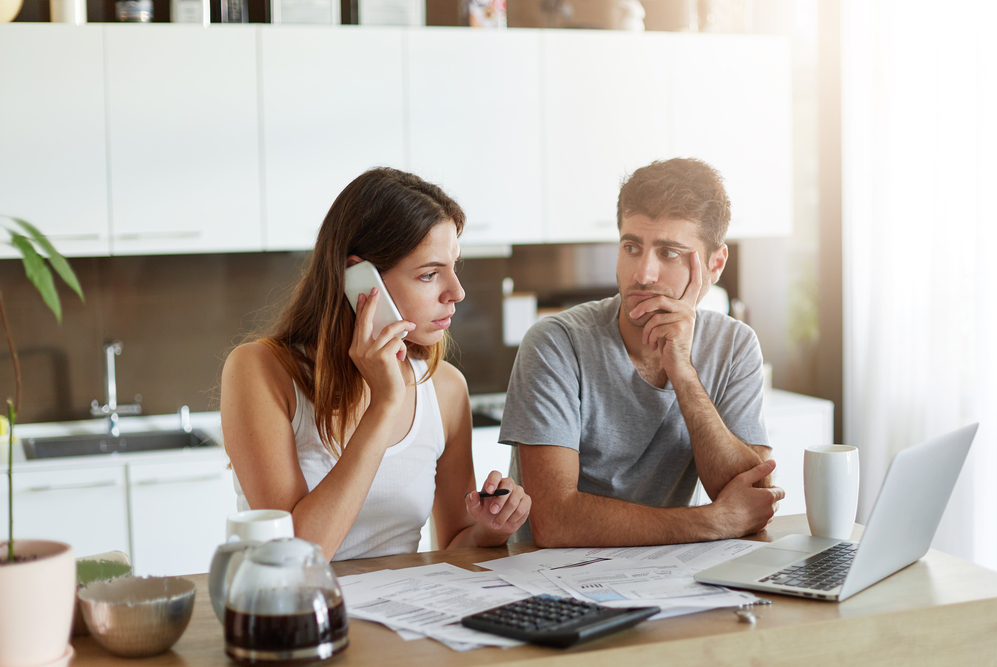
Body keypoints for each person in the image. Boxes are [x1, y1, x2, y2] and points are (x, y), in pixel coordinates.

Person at [221, 167, 530, 561]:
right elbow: (297, 557)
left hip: (402, 615)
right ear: (360, 280)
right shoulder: (259, 371)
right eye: (429, 274)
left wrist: (488, 529)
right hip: (301, 616)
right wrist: (384, 403)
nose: (457, 291)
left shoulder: (446, 388)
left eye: (454, 266)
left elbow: (455, 544)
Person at [500, 158, 783, 547]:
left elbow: (755, 495)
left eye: (669, 253)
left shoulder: (734, 346)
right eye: (632, 247)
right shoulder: (556, 343)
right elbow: (555, 522)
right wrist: (714, 521)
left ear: (715, 264)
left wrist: (682, 371)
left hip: (670, 578)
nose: (643, 273)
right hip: (556, 584)